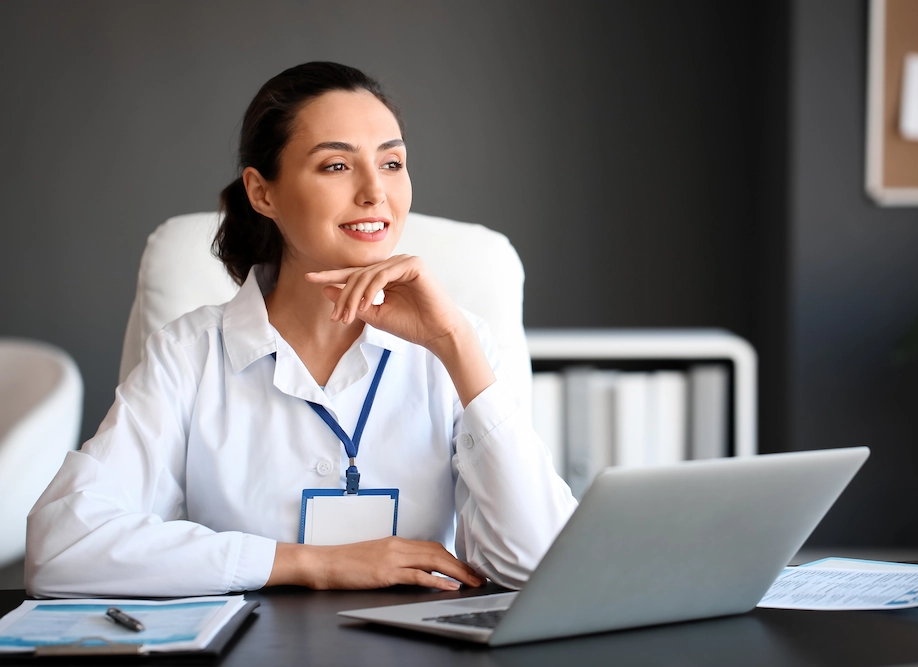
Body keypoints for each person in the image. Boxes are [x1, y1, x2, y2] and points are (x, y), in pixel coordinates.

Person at [25, 62, 576, 598]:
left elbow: (544, 568)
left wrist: (454, 344)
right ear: (262, 193)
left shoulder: (459, 343)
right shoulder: (190, 353)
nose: (374, 193)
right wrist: (311, 564)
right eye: (336, 166)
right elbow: (60, 548)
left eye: (391, 163)